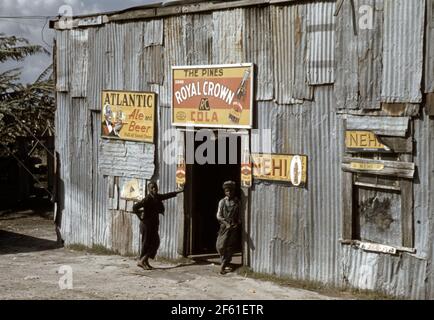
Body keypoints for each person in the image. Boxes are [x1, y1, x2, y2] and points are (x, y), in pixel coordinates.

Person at [133, 181, 183, 270]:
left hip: (153, 224)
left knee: (154, 243)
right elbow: (135, 207)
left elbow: (167, 195)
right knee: (150, 243)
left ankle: (145, 262)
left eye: (155, 187)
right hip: (146, 224)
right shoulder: (147, 199)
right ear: (149, 189)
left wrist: (178, 192)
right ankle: (142, 261)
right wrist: (140, 215)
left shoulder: (157, 197)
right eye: (152, 187)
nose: (154, 189)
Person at [216, 181, 241, 275]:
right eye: (227, 191)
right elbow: (218, 215)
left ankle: (223, 265)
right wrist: (225, 223)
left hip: (233, 227)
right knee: (220, 246)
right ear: (225, 192)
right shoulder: (222, 202)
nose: (229, 193)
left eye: (230, 191)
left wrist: (237, 223)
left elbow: (240, 215)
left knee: (230, 247)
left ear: (233, 191)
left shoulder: (237, 202)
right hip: (224, 226)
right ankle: (224, 260)